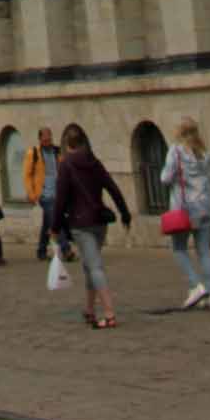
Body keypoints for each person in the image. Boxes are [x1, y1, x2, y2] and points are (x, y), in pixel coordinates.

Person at [52, 126, 131, 328]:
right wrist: (124, 213)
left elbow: (60, 199)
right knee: (89, 264)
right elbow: (112, 187)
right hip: (99, 221)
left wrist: (55, 225)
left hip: (81, 223)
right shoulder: (93, 161)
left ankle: (109, 313)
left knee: (94, 266)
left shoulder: (66, 165)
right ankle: (89, 309)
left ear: (67, 144)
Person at [161, 119, 210, 311]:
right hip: (205, 206)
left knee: (179, 248)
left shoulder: (176, 151)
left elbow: (165, 178)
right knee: (204, 251)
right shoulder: (205, 153)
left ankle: (196, 286)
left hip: (184, 208)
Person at [23, 127, 73, 263]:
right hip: (43, 194)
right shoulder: (33, 153)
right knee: (57, 221)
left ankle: (41, 250)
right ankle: (66, 249)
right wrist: (31, 194)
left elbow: (64, 170)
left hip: (57, 192)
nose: (47, 141)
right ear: (39, 139)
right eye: (45, 139)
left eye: (49, 138)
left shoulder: (57, 151)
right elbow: (27, 176)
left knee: (48, 222)